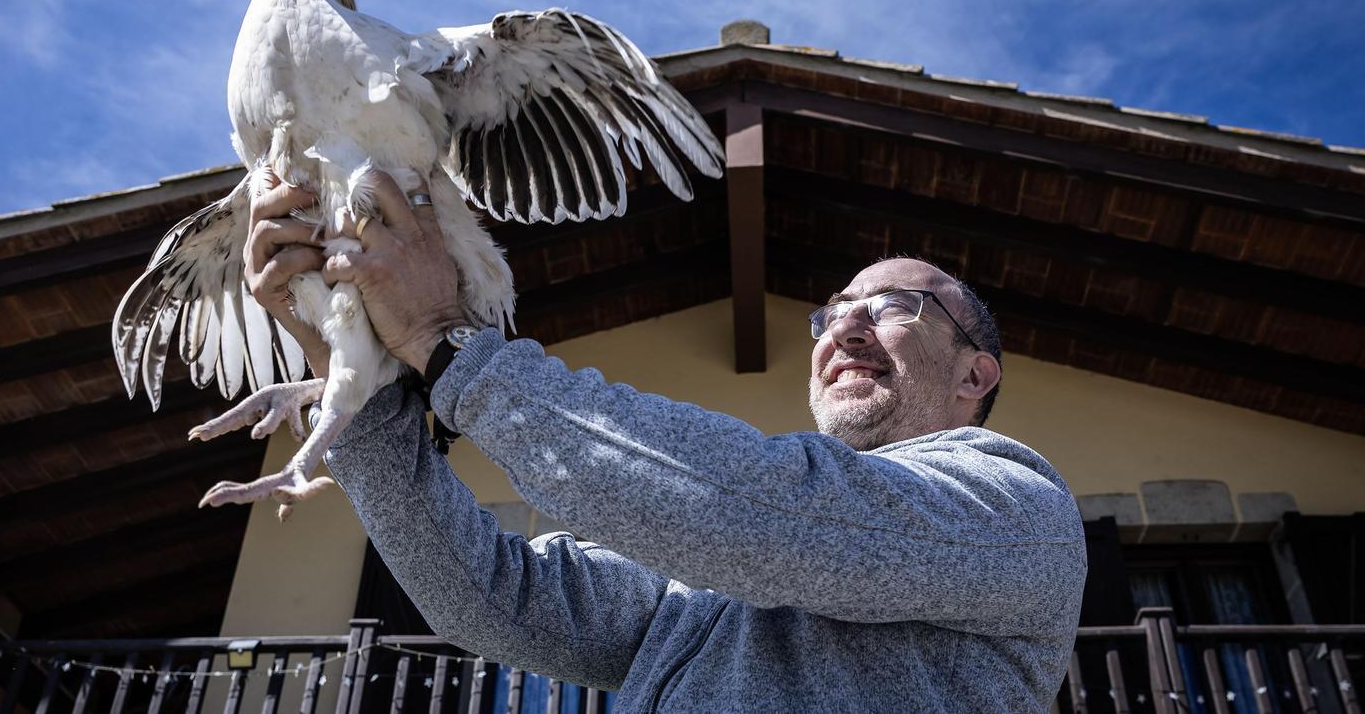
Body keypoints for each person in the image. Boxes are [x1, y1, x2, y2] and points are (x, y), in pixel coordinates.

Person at [240, 171, 1087, 713]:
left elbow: (766, 517)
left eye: (895, 306)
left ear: (977, 376)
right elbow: (492, 600)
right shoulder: (705, 577)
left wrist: (445, 340)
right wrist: (365, 390)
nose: (845, 328)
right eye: (832, 314)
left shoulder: (1015, 505)